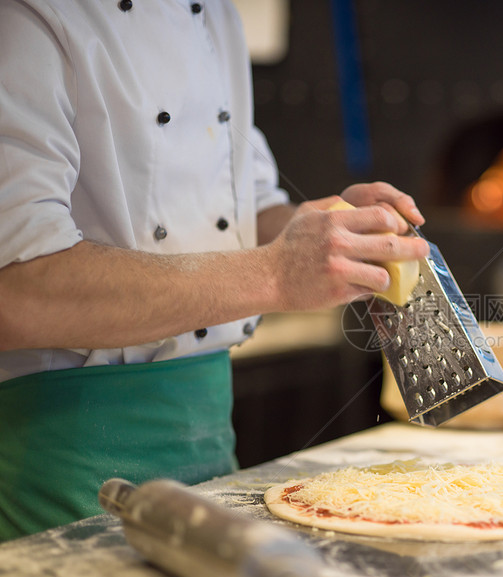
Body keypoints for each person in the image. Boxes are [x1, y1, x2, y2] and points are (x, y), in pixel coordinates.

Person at [0, 0, 428, 541]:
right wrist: (275, 275)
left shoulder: (214, 15)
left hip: (209, 449)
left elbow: (245, 211)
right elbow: (17, 292)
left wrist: (339, 232)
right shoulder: (27, 17)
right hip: (59, 466)